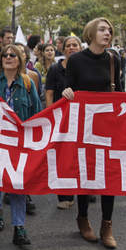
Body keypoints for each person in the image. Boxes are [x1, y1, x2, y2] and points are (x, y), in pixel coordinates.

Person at [62, 17, 123, 249]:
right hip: (84, 126)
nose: (107, 33)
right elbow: (69, 88)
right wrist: (67, 92)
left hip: (107, 126)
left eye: (109, 29)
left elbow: (117, 88)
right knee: (85, 173)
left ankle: (107, 224)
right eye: (102, 29)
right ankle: (83, 218)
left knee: (109, 175)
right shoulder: (76, 60)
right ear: (91, 33)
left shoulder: (113, 59)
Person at [0, 44, 41, 248]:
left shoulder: (27, 83)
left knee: (17, 185)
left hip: (18, 143)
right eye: (4, 55)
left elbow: (37, 113)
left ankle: (19, 228)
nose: (8, 57)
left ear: (20, 59)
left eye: (12, 55)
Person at [45, 35, 82, 209]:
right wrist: (51, 117)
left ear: (80, 48)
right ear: (63, 49)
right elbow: (49, 93)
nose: (72, 47)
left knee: (80, 155)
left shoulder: (86, 68)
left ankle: (83, 190)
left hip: (82, 119)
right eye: (69, 45)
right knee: (62, 156)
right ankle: (65, 195)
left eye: (75, 45)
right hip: (62, 120)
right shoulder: (55, 69)